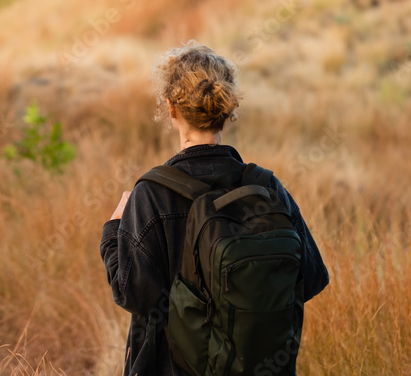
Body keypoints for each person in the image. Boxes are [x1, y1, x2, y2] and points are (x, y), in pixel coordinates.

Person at [100, 42, 329, 375]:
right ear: (227, 110)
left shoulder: (151, 193)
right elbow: (311, 279)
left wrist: (112, 232)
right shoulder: (267, 187)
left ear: (170, 108)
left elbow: (133, 293)